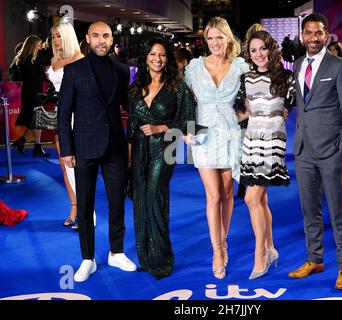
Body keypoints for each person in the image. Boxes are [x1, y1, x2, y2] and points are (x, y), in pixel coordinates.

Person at [57, 21, 136, 282]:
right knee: (85, 205)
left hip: (114, 145)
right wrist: (66, 149)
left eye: (106, 35)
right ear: (88, 40)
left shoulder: (122, 70)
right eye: (96, 36)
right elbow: (63, 113)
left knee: (117, 201)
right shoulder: (74, 70)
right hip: (83, 146)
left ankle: (117, 251)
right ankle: (87, 259)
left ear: (112, 39)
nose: (101, 40)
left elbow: (131, 109)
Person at [288, 13, 342, 290]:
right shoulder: (297, 64)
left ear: (326, 35)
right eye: (308, 33)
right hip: (303, 150)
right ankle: (315, 259)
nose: (313, 38)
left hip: (331, 151)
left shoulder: (340, 67)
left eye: (318, 33)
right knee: (309, 209)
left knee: (337, 210)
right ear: (302, 35)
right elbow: (301, 106)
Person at [184, 16, 250, 279]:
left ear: (228, 38)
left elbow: (251, 98)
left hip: (231, 135)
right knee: (213, 195)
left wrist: (241, 117)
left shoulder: (240, 66)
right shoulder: (194, 67)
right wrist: (187, 129)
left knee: (227, 194)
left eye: (219, 38)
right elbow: (186, 102)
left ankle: (224, 240)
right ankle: (217, 250)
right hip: (202, 135)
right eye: (210, 38)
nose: (214, 43)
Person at [128, 36, 196, 279]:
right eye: (153, 54)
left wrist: (162, 128)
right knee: (141, 200)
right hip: (138, 149)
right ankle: (146, 257)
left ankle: (162, 260)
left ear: (168, 59)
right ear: (146, 58)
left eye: (162, 55)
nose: (157, 59)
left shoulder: (177, 87)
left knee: (155, 197)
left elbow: (189, 122)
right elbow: (132, 126)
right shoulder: (136, 87)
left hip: (166, 148)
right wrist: (128, 161)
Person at [234, 30, 295, 280]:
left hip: (273, 143)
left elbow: (289, 107)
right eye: (253, 50)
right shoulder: (245, 78)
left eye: (262, 48)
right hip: (251, 142)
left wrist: (278, 114)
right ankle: (270, 249)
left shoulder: (287, 77)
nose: (258, 54)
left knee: (251, 199)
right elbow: (240, 113)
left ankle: (260, 254)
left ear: (271, 48)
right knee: (260, 200)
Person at [46, 22, 89, 230]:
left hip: (76, 116)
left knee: (78, 166)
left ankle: (86, 213)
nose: (55, 40)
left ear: (68, 37)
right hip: (59, 116)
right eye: (53, 36)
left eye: (59, 36)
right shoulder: (55, 59)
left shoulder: (80, 59)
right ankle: (74, 207)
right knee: (64, 165)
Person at [237, 22, 265, 200]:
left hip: (247, 114)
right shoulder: (247, 63)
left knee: (244, 152)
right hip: (252, 114)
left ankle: (243, 185)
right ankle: (250, 184)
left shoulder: (240, 61)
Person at [11, 35, 50, 157]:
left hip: (32, 92)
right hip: (32, 93)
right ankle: (34, 146)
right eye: (39, 44)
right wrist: (42, 72)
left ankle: (24, 142)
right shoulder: (27, 61)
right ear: (33, 45)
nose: (40, 46)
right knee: (38, 119)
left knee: (36, 120)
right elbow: (31, 78)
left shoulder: (29, 60)